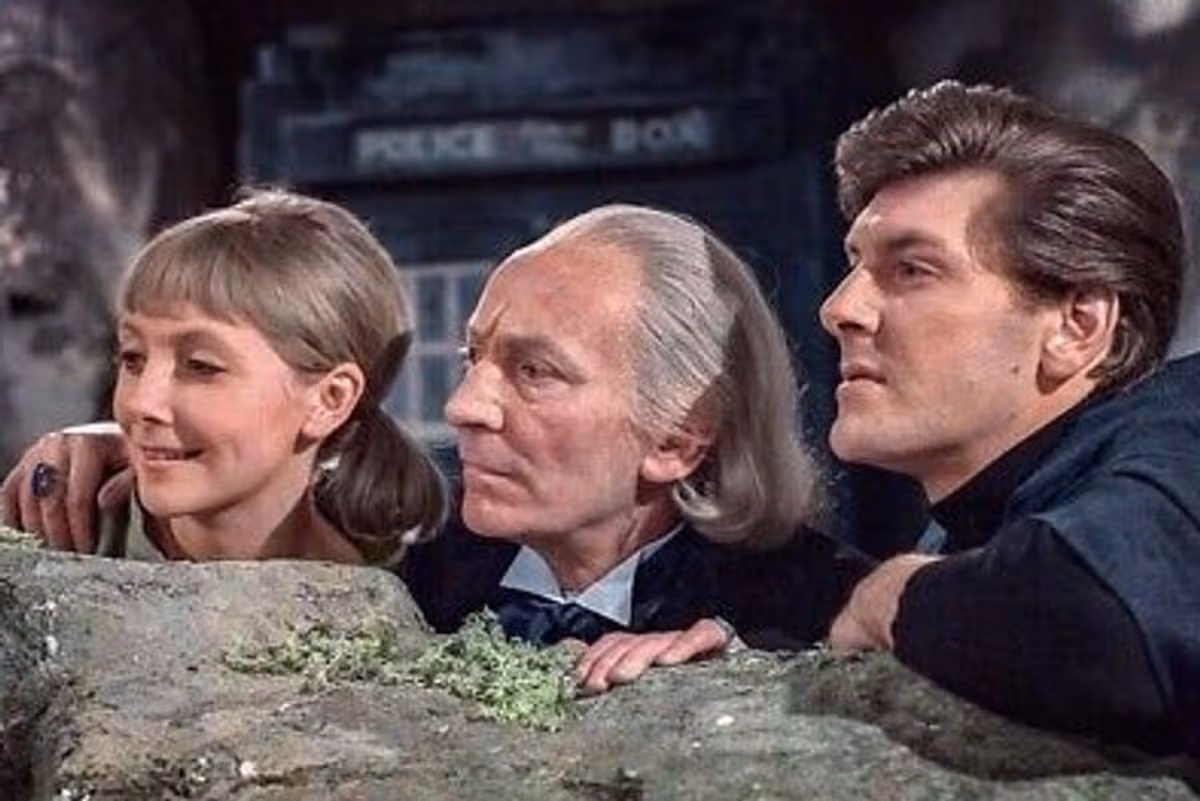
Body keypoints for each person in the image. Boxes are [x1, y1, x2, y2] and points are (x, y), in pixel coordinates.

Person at [2, 203, 869, 691]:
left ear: (677, 436)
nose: (462, 407)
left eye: (533, 371)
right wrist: (124, 442)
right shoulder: (411, 545)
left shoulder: (817, 605)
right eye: (472, 357)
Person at [822, 81, 1198, 754]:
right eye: (855, 264)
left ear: (1078, 325)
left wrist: (888, 595)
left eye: (912, 269)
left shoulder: (1183, 429)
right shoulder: (978, 521)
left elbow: (1091, 621)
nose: (840, 308)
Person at [14, 188, 446, 564]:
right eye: (133, 359)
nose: (141, 402)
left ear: (329, 399)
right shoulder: (50, 542)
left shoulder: (421, 594)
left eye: (201, 366)